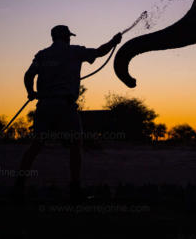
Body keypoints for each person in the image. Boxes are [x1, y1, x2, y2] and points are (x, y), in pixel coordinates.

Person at [13, 25, 122, 202]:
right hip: (65, 106)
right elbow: (101, 52)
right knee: (75, 146)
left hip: (44, 106)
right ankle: (75, 189)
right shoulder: (75, 52)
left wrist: (30, 92)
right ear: (67, 37)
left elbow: (28, 75)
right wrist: (113, 42)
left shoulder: (42, 55)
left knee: (36, 146)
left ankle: (19, 186)